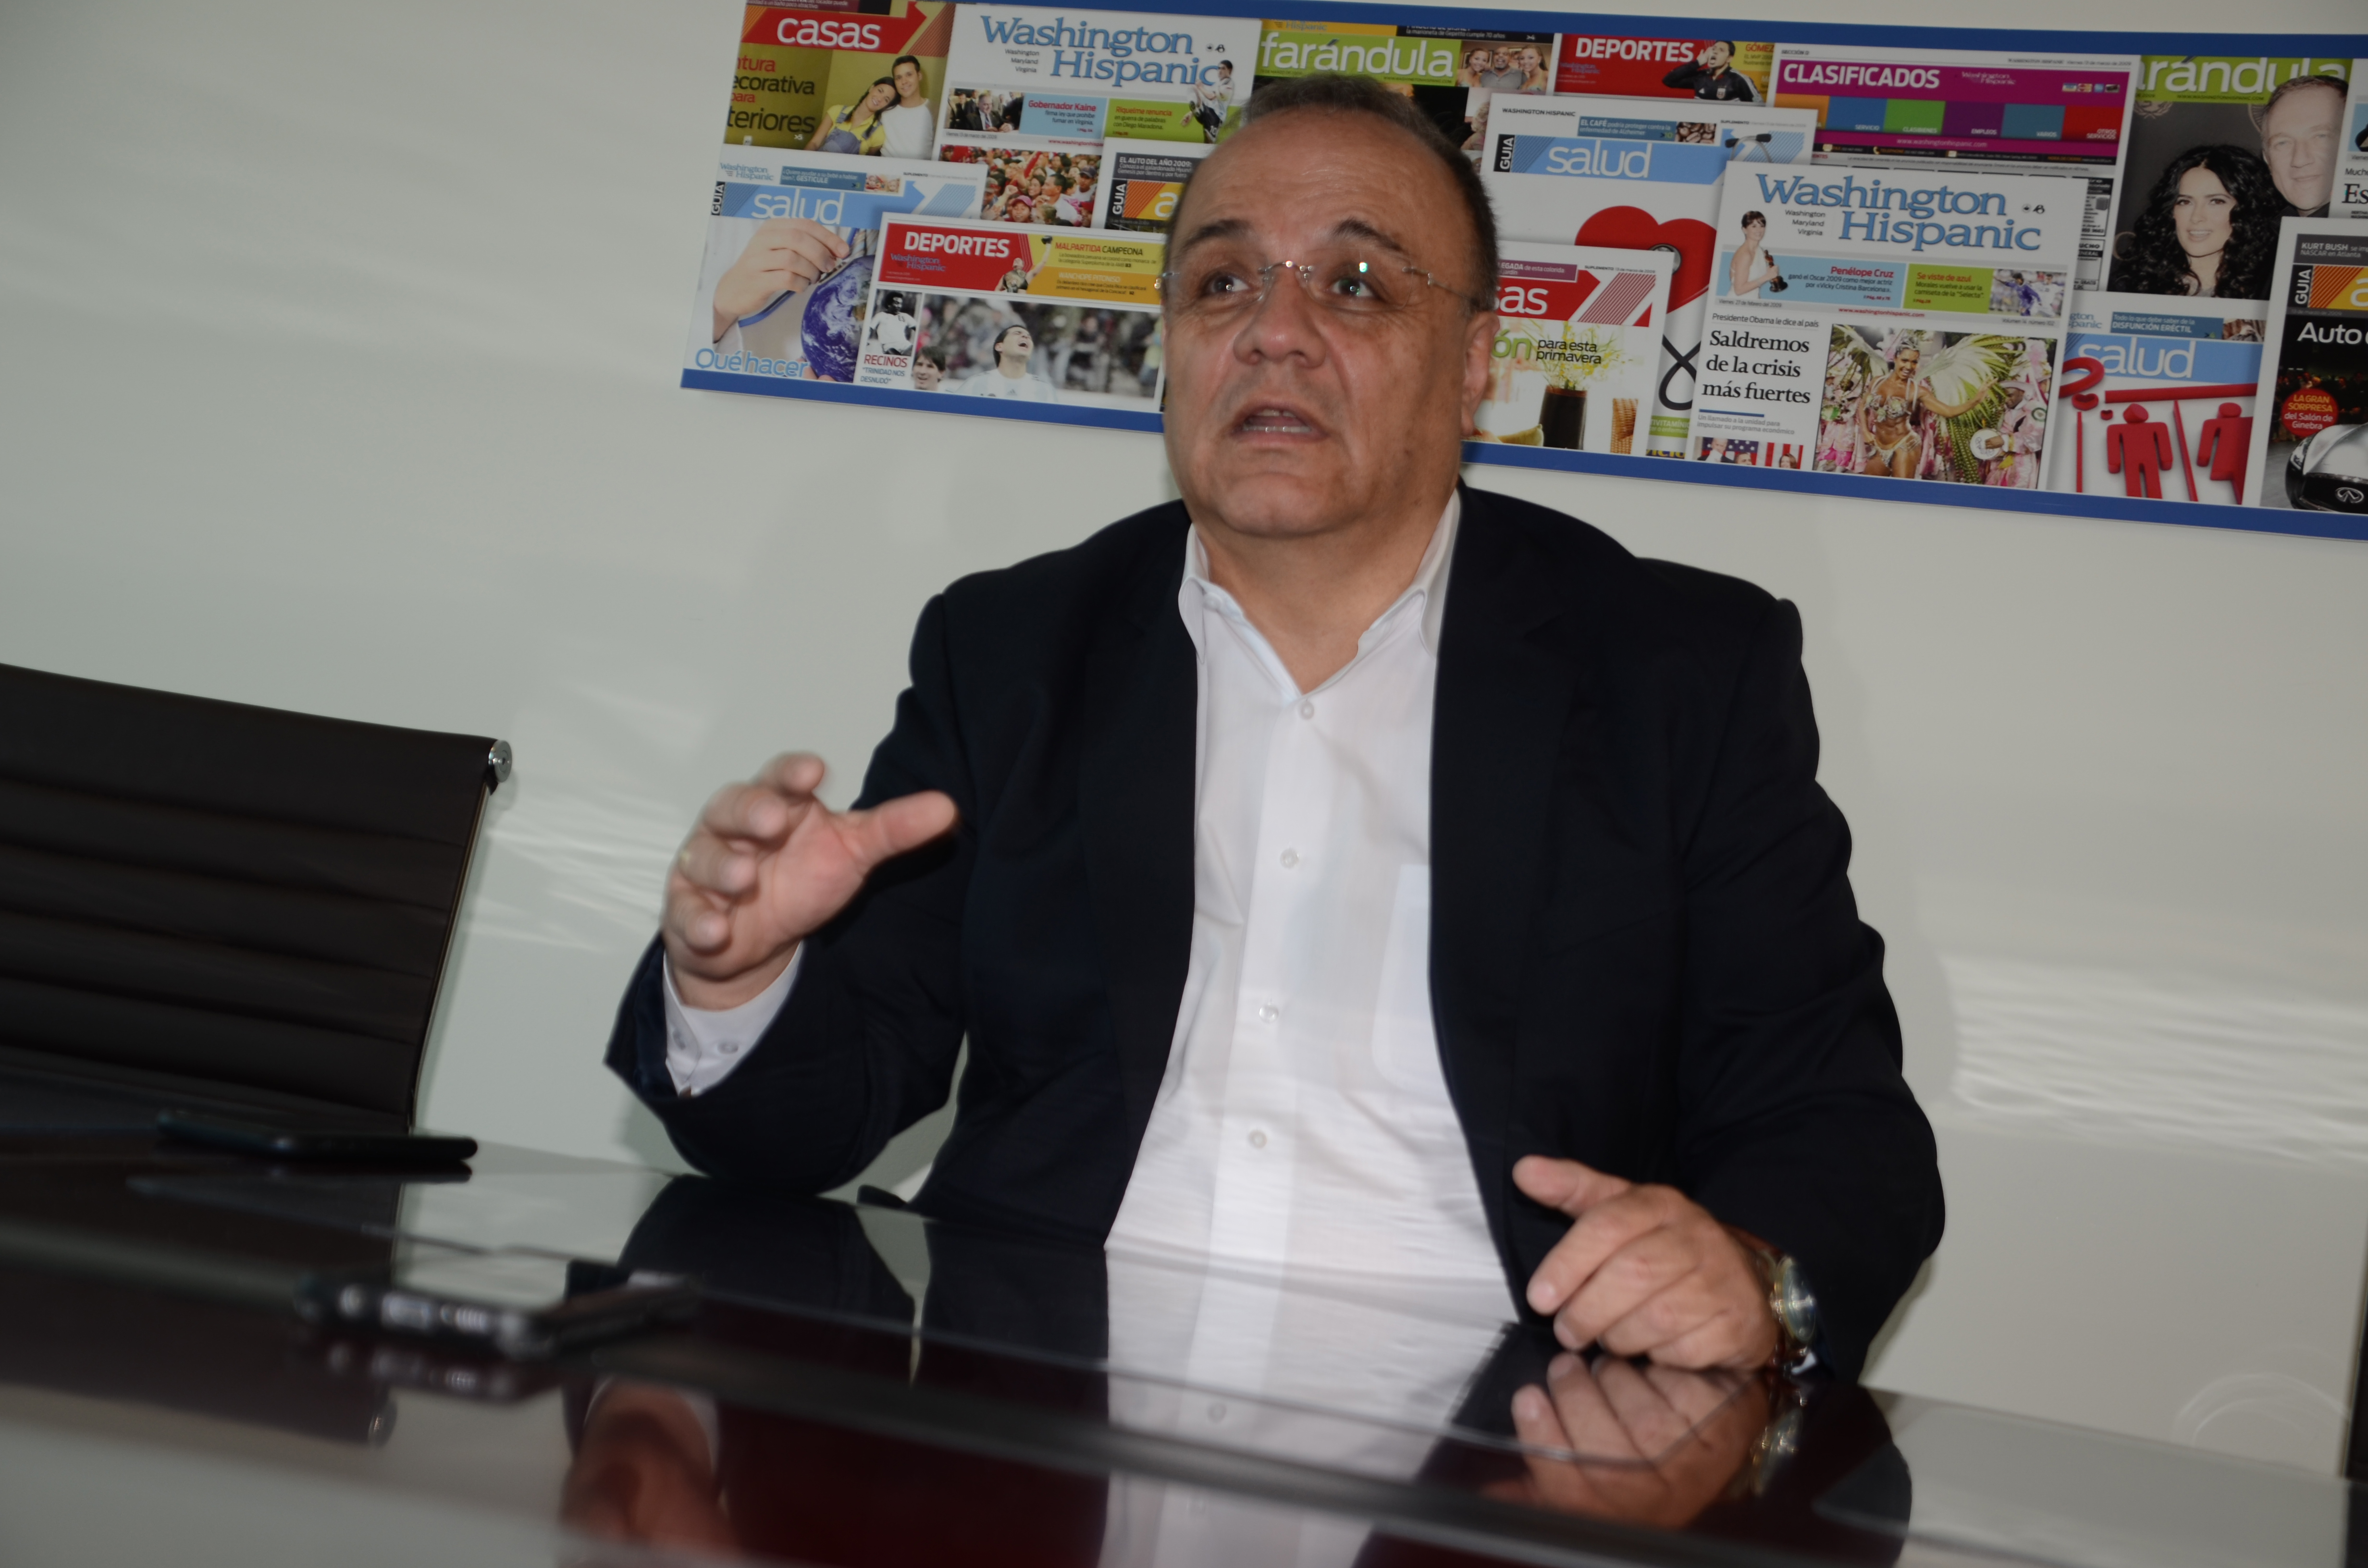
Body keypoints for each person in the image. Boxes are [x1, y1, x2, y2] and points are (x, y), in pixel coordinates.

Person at [613, 73, 1942, 1385]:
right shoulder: (1012, 650)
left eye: (1355, 285)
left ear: (1475, 362)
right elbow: (807, 1128)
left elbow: (1835, 1124)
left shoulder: (1677, 671)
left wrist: (1751, 1276)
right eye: (1222, 282)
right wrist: (734, 986)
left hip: (1510, 1437)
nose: (1275, 333)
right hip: (1038, 1424)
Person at [2109, 145, 2280, 299]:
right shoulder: (2131, 285)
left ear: (2247, 209)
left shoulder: (2271, 290)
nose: (2196, 217)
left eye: (2216, 202)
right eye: (2185, 202)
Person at [2257, 73, 2345, 218]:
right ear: (2268, 159)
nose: (2300, 160)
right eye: (2283, 143)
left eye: (2321, 137)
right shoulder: (2263, 230)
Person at [957, 322, 1057, 401]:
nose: (1026, 337)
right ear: (999, 346)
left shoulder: (1044, 390)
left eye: (1029, 337)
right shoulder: (976, 384)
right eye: (1017, 333)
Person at [807, 76, 896, 156]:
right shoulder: (837, 111)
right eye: (880, 91)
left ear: (887, 106)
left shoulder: (879, 132)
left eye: (886, 100)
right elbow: (814, 143)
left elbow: (868, 164)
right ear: (871, 88)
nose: (880, 99)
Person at [879, 54, 936, 160]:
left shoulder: (935, 109)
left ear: (919, 76)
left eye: (909, 75)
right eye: (899, 78)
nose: (904, 82)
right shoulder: (885, 110)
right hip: (887, 168)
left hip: (921, 169)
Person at [1664, 41, 1759, 103]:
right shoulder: (1701, 77)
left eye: (1721, 50)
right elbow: (1669, 81)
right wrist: (1697, 63)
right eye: (1714, 49)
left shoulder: (1739, 80)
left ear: (1729, 58)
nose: (1715, 52)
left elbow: (1758, 106)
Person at [1728, 210, 1782, 297]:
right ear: (1744, 230)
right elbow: (1739, 290)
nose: (1759, 230)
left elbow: (1755, 288)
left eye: (1762, 226)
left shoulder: (1759, 251)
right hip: (1738, 302)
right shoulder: (1745, 255)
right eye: (1754, 226)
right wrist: (1767, 277)